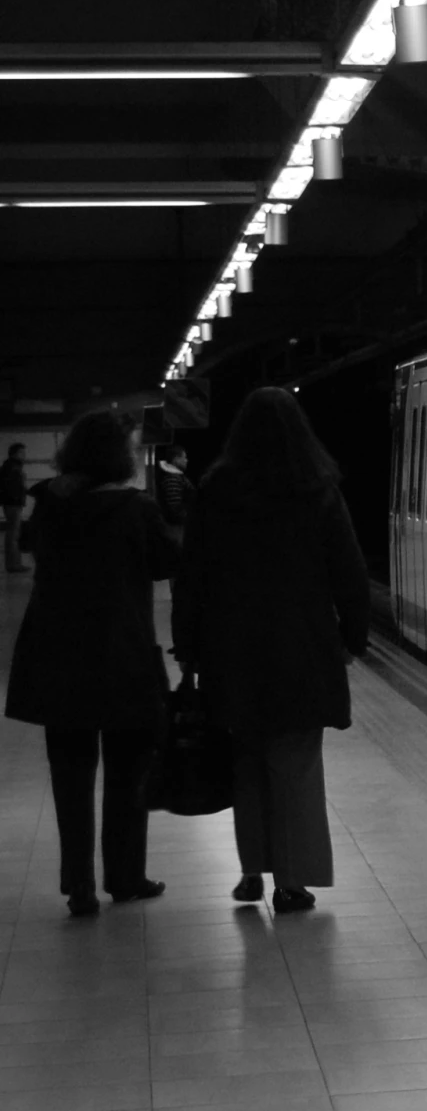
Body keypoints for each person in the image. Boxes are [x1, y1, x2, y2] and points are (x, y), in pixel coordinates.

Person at [173, 388, 369, 913]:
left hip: (230, 651)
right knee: (296, 766)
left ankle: (250, 872)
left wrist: (187, 647)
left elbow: (190, 576)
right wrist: (352, 639)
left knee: (246, 763)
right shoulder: (318, 489)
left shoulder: (216, 491)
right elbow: (349, 574)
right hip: (301, 650)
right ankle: (293, 880)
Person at [4, 412, 175, 915]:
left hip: (58, 656)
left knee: (70, 775)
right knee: (128, 772)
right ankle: (124, 877)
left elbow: (28, 545)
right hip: (123, 653)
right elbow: (167, 564)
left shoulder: (50, 503)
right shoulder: (135, 508)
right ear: (119, 456)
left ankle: (78, 885)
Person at [152, 443, 192, 544]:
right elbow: (174, 507)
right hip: (175, 528)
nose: (186, 460)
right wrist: (190, 517)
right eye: (184, 457)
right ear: (176, 459)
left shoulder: (175, 476)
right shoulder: (172, 478)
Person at [2, 443, 29, 572]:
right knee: (13, 535)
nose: (24, 456)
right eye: (22, 453)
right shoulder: (13, 467)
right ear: (15, 453)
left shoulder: (10, 466)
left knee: (12, 534)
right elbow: (13, 487)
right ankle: (14, 565)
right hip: (13, 503)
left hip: (11, 503)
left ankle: (13, 564)